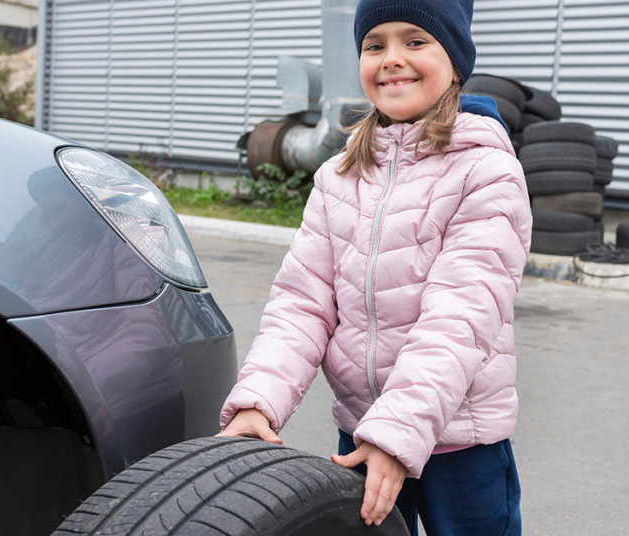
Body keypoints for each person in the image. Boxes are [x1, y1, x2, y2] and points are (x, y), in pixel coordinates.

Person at [217, 0, 530, 533]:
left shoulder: (487, 172)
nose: (391, 58)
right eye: (374, 44)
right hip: (363, 436)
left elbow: (459, 318)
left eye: (415, 41)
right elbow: (302, 303)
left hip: (461, 443)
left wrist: (397, 432)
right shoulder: (338, 176)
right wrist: (259, 402)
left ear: (455, 61)